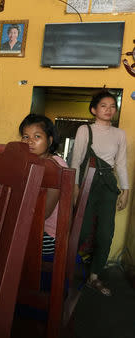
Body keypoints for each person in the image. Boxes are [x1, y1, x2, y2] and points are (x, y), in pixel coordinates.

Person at [70, 90, 129, 296]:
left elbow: (120, 163)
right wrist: (76, 187)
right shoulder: (85, 130)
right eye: (103, 105)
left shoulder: (120, 134)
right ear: (94, 109)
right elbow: (76, 161)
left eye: (112, 106)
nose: (109, 109)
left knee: (106, 233)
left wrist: (126, 190)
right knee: (82, 230)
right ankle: (65, 270)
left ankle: (94, 276)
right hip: (87, 184)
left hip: (108, 186)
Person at [19, 114, 67, 255]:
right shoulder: (29, 163)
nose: (30, 142)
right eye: (25, 137)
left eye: (37, 137)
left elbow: (43, 213)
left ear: (50, 140)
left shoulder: (55, 165)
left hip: (49, 236)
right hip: (33, 226)